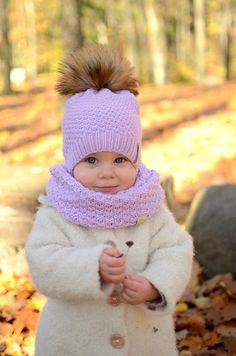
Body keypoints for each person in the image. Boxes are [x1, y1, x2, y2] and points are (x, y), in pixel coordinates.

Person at [25, 44, 193, 356]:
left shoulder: (149, 205)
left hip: (145, 343)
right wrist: (90, 267)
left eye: (120, 160)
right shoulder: (58, 209)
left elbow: (176, 249)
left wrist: (155, 284)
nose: (107, 173)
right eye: (91, 160)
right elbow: (42, 262)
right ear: (71, 160)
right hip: (73, 344)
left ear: (136, 159)